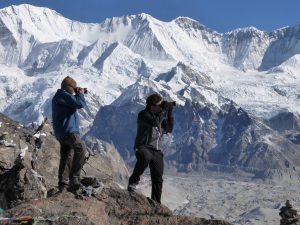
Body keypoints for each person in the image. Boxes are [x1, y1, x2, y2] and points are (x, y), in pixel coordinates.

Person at [127, 93, 175, 204]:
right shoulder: (143, 115)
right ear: (152, 106)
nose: (162, 106)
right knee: (145, 157)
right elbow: (154, 122)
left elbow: (169, 128)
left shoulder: (160, 117)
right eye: (160, 105)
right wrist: (164, 111)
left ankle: (156, 202)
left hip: (156, 149)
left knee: (158, 176)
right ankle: (133, 182)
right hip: (142, 146)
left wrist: (169, 112)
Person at [52, 76, 87, 194]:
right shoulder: (62, 95)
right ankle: (75, 179)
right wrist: (80, 94)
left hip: (62, 132)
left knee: (67, 156)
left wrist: (77, 93)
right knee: (80, 148)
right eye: (73, 88)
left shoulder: (61, 96)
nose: (74, 90)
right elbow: (79, 103)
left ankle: (63, 184)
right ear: (68, 88)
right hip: (68, 130)